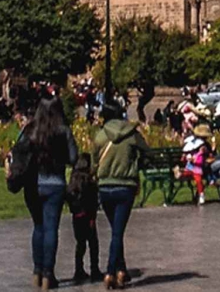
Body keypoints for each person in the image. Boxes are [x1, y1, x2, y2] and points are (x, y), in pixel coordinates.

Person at [10, 96, 80, 290]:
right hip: (55, 183)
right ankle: (49, 274)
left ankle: (37, 271)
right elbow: (74, 157)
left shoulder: (30, 130)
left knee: (38, 227)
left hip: (33, 184)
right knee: (51, 229)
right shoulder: (63, 131)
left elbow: (18, 152)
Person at [94, 102, 148, 289]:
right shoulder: (132, 134)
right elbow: (146, 151)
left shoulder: (101, 135)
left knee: (116, 230)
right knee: (117, 232)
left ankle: (121, 269)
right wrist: (135, 162)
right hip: (125, 186)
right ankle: (110, 271)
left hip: (105, 187)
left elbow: (94, 160)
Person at [67, 152, 101, 284]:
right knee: (93, 243)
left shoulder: (73, 180)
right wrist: (92, 217)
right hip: (88, 216)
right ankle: (94, 269)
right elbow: (93, 202)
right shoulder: (89, 181)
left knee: (80, 244)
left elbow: (69, 198)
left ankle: (79, 269)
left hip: (77, 216)